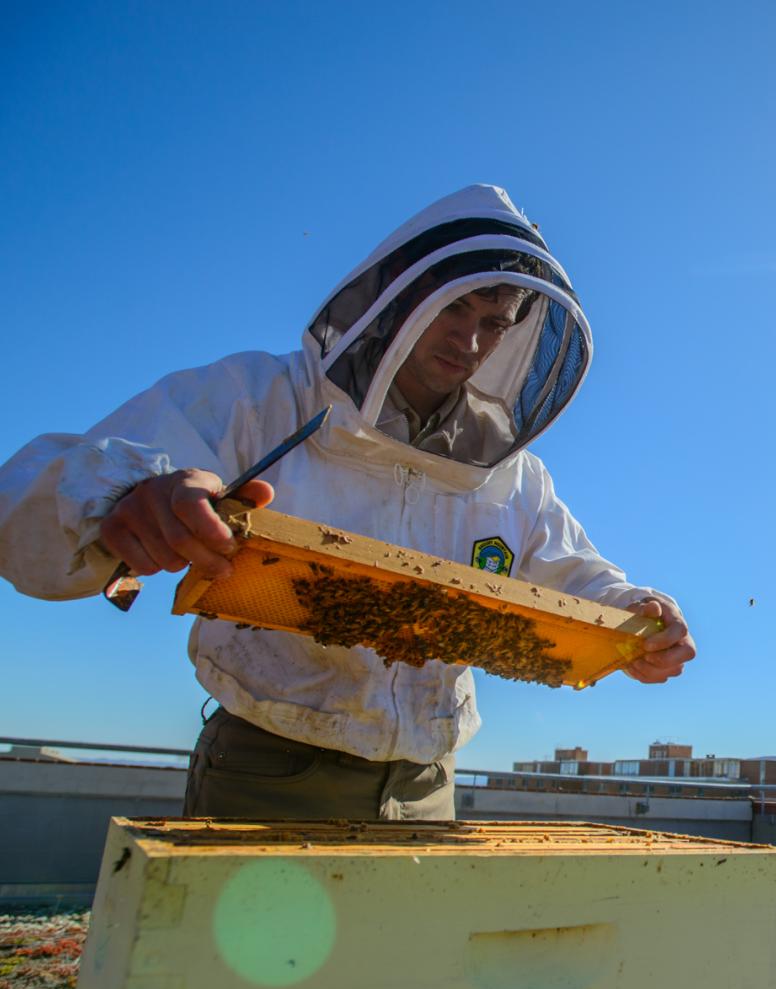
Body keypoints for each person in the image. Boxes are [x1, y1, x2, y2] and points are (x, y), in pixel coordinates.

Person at [0, 185, 695, 820]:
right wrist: (129, 496)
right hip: (269, 770)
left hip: (428, 784)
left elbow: (571, 573)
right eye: (453, 306)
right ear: (398, 297)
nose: (470, 339)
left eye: (494, 322)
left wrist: (638, 614)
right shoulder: (266, 399)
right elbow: (40, 493)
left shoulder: (512, 476)